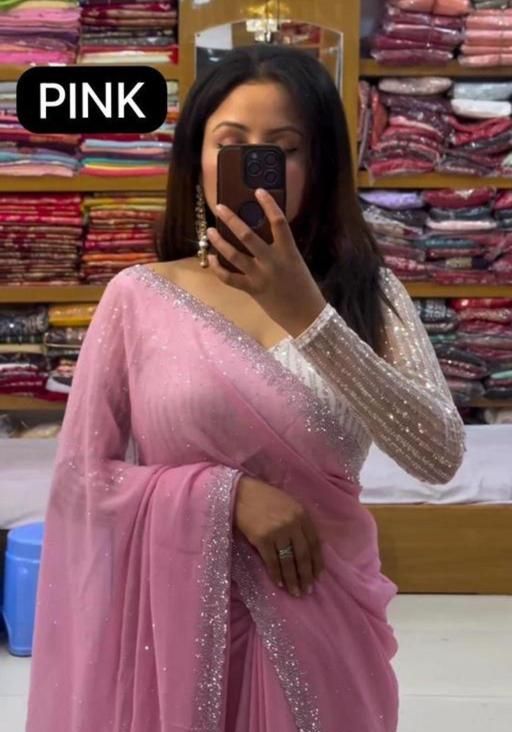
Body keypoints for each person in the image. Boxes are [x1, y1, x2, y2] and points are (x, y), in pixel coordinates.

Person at [25, 45, 466, 732]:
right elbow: (82, 479)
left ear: (319, 165)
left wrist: (307, 314)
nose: (259, 168)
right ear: (197, 159)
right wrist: (226, 497)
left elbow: (437, 454)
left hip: (326, 624)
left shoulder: (368, 294)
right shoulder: (138, 298)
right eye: (232, 146)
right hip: (173, 635)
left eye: (284, 149)